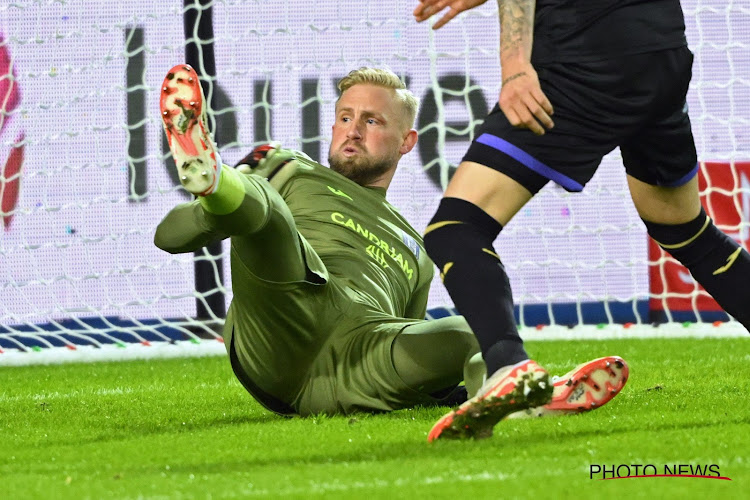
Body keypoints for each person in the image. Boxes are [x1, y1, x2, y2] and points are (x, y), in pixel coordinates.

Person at [154, 64, 628, 425]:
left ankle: (519, 397)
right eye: (345, 117)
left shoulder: (418, 247)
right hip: (285, 319)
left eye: (372, 120)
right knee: (269, 211)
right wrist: (211, 205)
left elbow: (412, 344)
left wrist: (452, 381)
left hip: (358, 362)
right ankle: (214, 180)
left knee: (470, 329)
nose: (353, 130)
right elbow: (168, 236)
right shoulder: (289, 168)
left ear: (407, 142)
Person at [414, 0, 750, 441]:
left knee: (456, 227)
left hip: (584, 51)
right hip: (660, 47)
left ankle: (507, 365)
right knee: (685, 230)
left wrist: (515, 67)